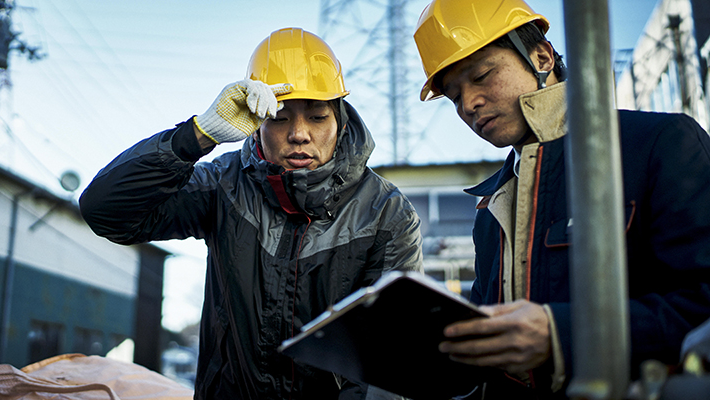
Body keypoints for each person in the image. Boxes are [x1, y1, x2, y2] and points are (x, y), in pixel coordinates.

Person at [79, 27, 423, 400]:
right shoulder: (223, 184)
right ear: (256, 125)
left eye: (318, 116)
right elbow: (106, 211)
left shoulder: (386, 213)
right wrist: (198, 135)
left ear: (339, 122)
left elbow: (387, 362)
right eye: (279, 118)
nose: (299, 134)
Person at [412, 0, 710, 398]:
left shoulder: (661, 146)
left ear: (541, 56)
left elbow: (703, 303)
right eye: (453, 96)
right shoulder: (490, 208)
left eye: (482, 75)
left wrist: (560, 334)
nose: (469, 104)